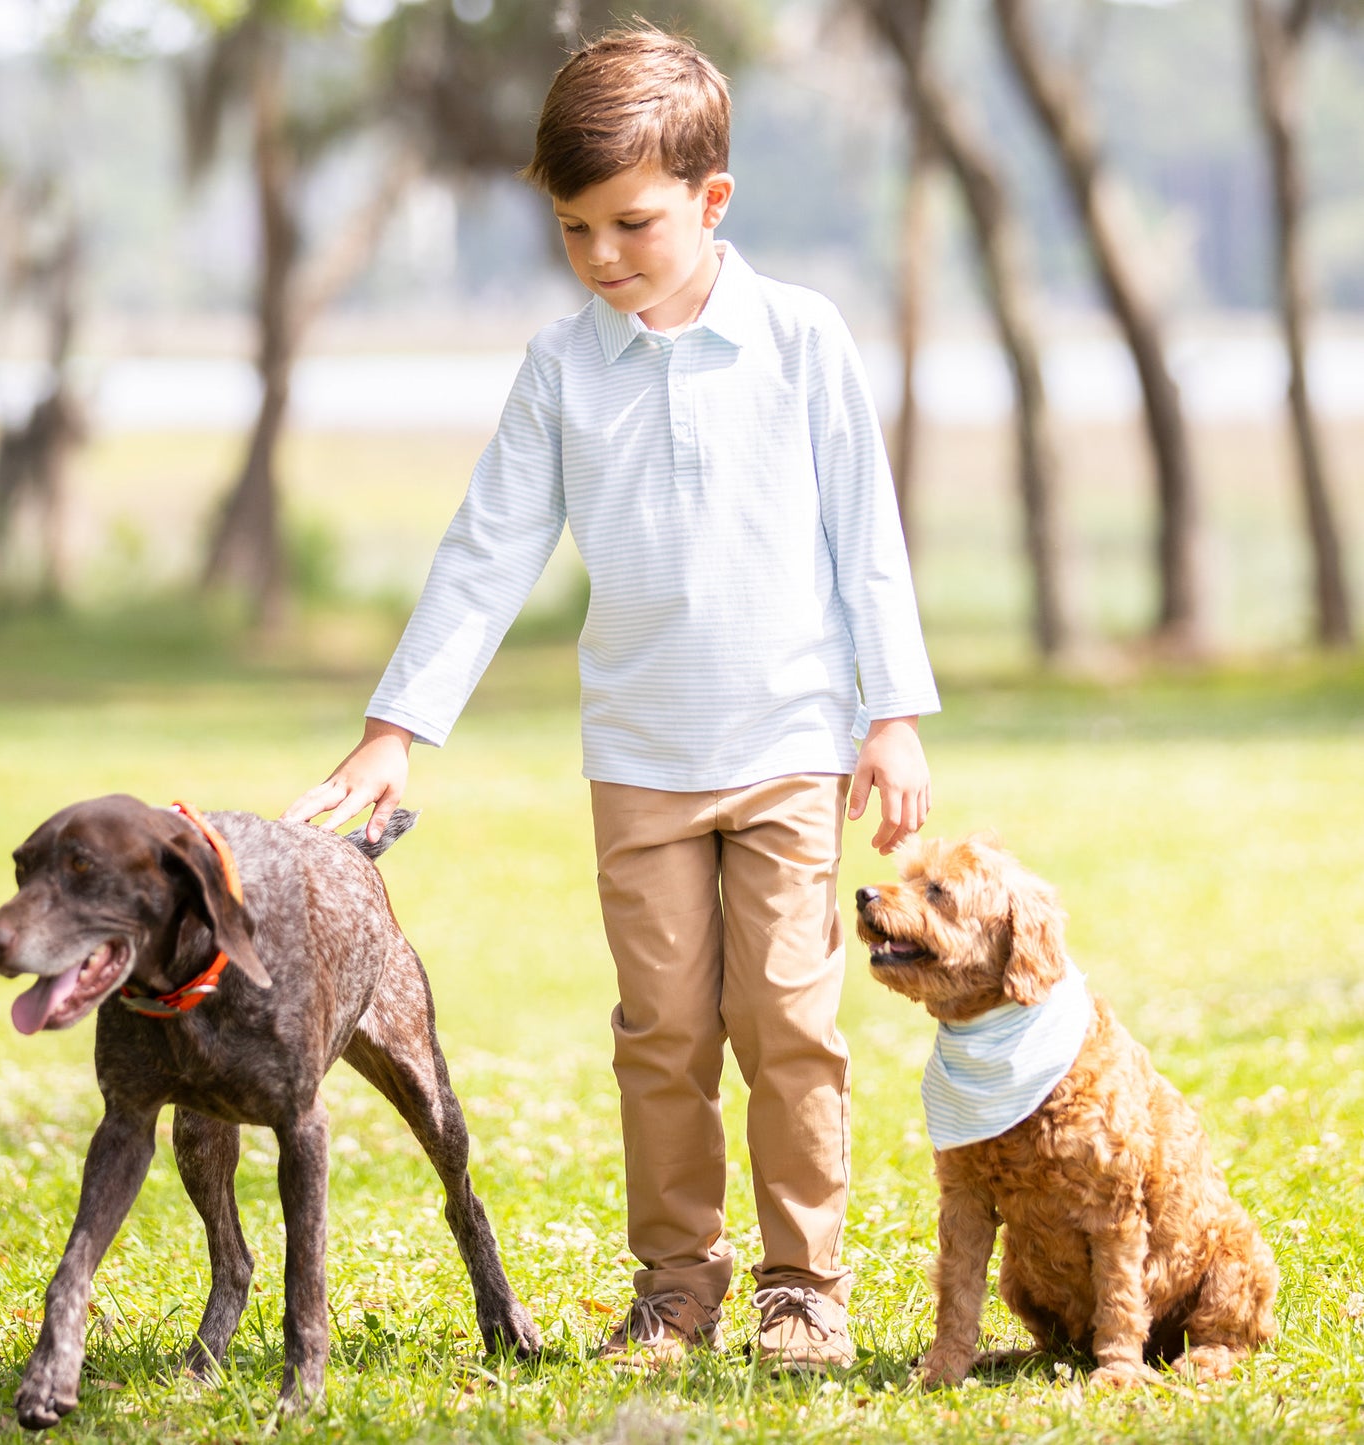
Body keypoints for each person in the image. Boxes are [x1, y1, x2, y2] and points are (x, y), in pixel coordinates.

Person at [286, 24, 939, 1374]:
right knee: (663, 1028)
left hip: (785, 746)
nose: (599, 254)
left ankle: (803, 1283)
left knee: (787, 1018)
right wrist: (396, 727)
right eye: (573, 227)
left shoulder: (801, 341)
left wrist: (892, 713)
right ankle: (676, 1281)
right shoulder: (562, 369)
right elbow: (486, 550)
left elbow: (863, 533)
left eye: (629, 221)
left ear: (710, 200)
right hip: (638, 758)